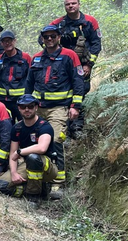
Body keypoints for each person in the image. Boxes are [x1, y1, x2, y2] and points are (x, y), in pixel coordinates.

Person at [25, 25, 85, 192]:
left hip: (59, 108)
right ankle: (39, 178)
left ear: (59, 37)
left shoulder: (69, 55)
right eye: (46, 37)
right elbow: (29, 84)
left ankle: (58, 182)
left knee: (56, 141)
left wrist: (75, 106)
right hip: (38, 108)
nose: (49, 39)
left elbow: (78, 82)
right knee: (34, 142)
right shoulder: (36, 58)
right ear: (42, 39)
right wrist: (24, 104)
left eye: (52, 36)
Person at [50, 0, 101, 138]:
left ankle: (77, 127)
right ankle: (63, 126)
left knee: (81, 93)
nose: (71, 6)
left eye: (73, 3)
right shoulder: (58, 24)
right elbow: (43, 38)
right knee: (65, 93)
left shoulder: (90, 22)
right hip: (63, 67)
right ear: (64, 6)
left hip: (83, 65)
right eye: (68, 4)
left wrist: (89, 65)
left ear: (79, 4)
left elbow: (96, 45)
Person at [0, 95, 60, 200]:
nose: (27, 109)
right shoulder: (17, 128)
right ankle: (38, 189)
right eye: (23, 107)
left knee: (33, 157)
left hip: (47, 167)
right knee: (1, 186)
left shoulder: (44, 126)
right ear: (19, 108)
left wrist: (20, 152)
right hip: (26, 164)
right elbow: (12, 154)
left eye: (30, 106)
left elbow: (42, 148)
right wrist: (14, 173)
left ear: (36, 108)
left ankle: (33, 197)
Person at [0, 29, 32, 123]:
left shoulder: (25, 58)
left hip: (21, 100)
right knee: (5, 124)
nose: (7, 43)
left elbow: (31, 79)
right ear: (1, 43)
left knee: (26, 124)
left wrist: (28, 98)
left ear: (14, 41)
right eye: (4, 41)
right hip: (3, 100)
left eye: (9, 40)